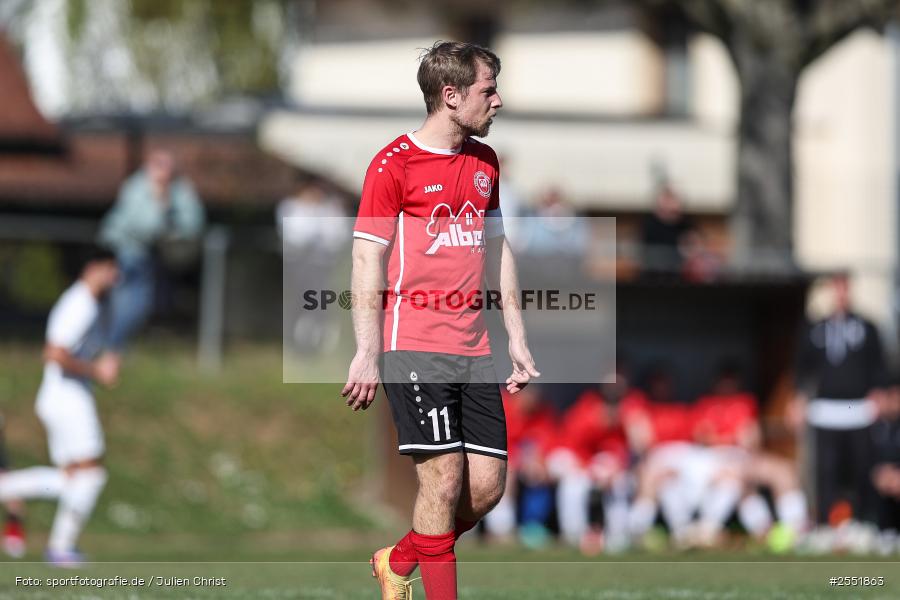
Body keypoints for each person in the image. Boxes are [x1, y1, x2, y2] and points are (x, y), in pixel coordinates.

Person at [341, 41, 539, 600]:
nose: (498, 100)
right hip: (414, 346)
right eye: (488, 90)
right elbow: (366, 257)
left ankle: (398, 559)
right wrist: (366, 349)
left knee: (486, 489)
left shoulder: (485, 163)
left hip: (474, 350)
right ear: (450, 96)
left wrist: (517, 339)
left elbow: (498, 251)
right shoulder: (392, 164)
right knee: (443, 481)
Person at [0, 246, 119, 565]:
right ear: (93, 268)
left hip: (63, 396)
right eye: (111, 268)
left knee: (74, 477)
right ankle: (60, 547)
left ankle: (61, 547)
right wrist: (97, 370)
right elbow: (54, 352)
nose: (115, 276)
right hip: (67, 397)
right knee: (91, 474)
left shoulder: (88, 303)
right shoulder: (80, 302)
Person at [791, 273, 887, 525]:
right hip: (826, 410)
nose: (841, 294)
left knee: (862, 467)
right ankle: (825, 523)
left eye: (845, 288)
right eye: (836, 288)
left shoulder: (867, 327)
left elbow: (879, 366)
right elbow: (802, 368)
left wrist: (879, 393)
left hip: (858, 409)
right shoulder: (815, 329)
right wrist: (799, 399)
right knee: (826, 471)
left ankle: (865, 522)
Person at [99, 150, 205, 350]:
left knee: (140, 304)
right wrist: (161, 205)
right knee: (124, 302)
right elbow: (145, 226)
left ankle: (114, 347)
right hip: (125, 252)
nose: (163, 173)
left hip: (151, 256)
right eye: (158, 166)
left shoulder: (179, 190)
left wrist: (167, 207)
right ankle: (112, 347)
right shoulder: (136, 188)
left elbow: (193, 223)